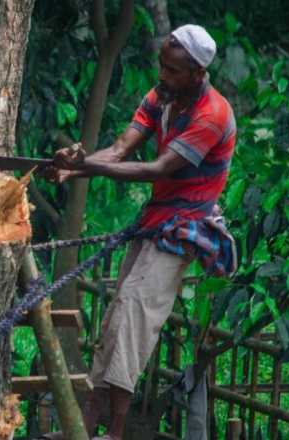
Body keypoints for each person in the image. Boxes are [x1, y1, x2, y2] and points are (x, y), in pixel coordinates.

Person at [42, 24, 237, 440]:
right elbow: (119, 149)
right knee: (117, 319)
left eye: (173, 70)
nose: (162, 75)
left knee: (132, 321)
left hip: (184, 228)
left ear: (198, 74)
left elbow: (157, 169)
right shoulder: (161, 96)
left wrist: (83, 166)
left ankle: (113, 434)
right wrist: (74, 169)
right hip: (157, 222)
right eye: (162, 66)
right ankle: (86, 427)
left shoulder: (212, 115)